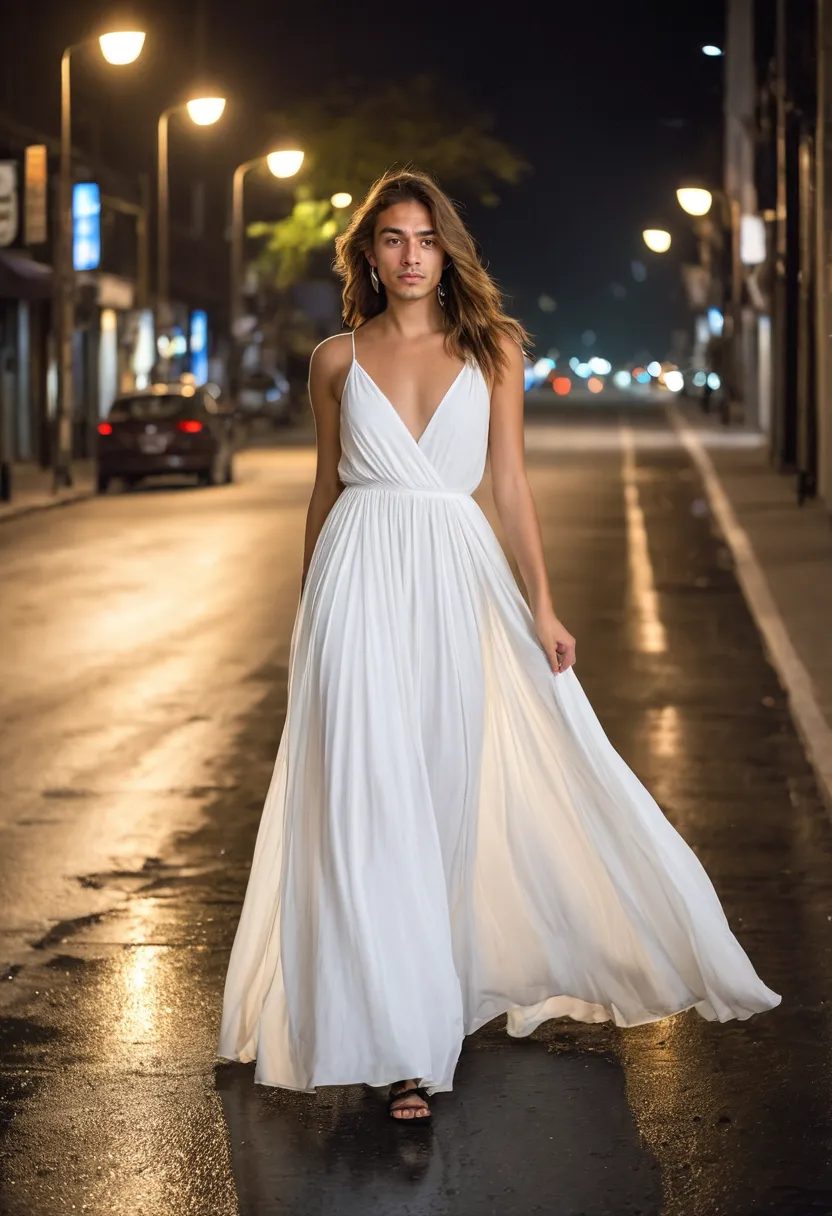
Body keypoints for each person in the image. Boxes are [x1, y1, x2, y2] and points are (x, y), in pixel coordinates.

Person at [217, 169, 781, 1124]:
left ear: (448, 253)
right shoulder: (334, 361)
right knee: (364, 803)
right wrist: (308, 602)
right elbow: (325, 489)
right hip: (356, 584)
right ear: (367, 253)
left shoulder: (495, 352)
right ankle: (399, 1051)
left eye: (424, 239)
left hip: (455, 584)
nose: (407, 255)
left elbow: (510, 490)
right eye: (390, 239)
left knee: (436, 800)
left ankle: (424, 1003)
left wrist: (544, 607)